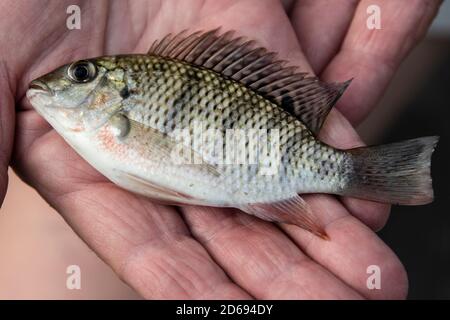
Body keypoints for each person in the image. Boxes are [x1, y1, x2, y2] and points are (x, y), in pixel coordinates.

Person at [0, 0, 442, 299]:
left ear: (113, 92)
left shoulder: (116, 114)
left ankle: (364, 173)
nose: (63, 82)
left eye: (81, 75)